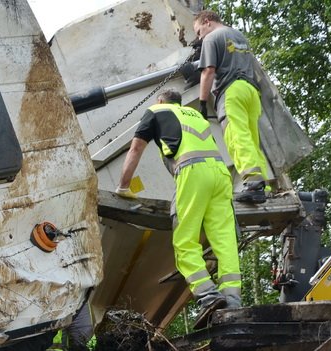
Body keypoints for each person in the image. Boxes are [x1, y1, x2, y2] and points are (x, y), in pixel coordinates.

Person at [115, 90, 241, 310]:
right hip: (220, 174)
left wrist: (123, 186)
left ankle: (207, 294)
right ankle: (232, 299)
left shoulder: (155, 110)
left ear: (161, 100)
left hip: (193, 171)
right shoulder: (194, 115)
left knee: (185, 241)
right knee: (224, 240)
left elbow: (136, 148)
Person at [193, 10, 271, 204]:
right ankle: (264, 186)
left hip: (231, 91)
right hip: (251, 91)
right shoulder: (239, 36)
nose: (199, 36)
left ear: (207, 22)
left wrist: (203, 103)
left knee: (237, 136)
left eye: (198, 31)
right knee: (252, 139)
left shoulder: (211, 38)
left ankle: (253, 184)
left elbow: (208, 71)